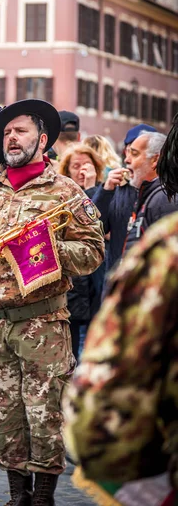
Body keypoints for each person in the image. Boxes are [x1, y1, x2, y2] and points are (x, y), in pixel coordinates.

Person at [0, 100, 105, 506]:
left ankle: (43, 497)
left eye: (20, 130)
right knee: (2, 417)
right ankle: (17, 494)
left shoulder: (66, 192)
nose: (11, 138)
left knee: (45, 415)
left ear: (43, 139)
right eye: (6, 133)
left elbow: (92, 252)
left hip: (42, 325)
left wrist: (45, 248)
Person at [63, 119, 178, 506]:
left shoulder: (165, 209)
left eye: (133, 153)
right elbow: (92, 226)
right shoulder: (131, 193)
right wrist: (108, 192)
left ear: (157, 159)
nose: (124, 160)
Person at [59, 145, 106, 360]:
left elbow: (101, 225)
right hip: (73, 288)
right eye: (75, 166)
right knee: (71, 356)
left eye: (86, 165)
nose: (81, 171)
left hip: (96, 285)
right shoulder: (60, 197)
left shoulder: (105, 192)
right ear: (67, 171)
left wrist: (90, 189)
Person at [92, 123, 156, 275]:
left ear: (155, 158)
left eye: (137, 153)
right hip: (117, 278)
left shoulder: (167, 191)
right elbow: (94, 228)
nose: (129, 160)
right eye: (130, 152)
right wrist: (105, 190)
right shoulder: (116, 187)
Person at [123, 131, 177, 253]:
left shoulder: (165, 198)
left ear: (155, 160)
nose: (127, 160)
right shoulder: (151, 194)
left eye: (134, 154)